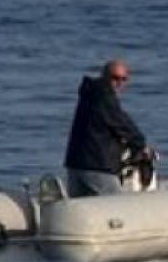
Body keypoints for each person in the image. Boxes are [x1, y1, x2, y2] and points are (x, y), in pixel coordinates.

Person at [63, 59, 152, 197]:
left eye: (124, 79)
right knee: (115, 208)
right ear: (104, 76)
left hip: (76, 164)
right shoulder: (104, 96)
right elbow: (123, 125)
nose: (119, 83)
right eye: (115, 78)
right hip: (97, 166)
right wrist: (139, 143)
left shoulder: (89, 94)